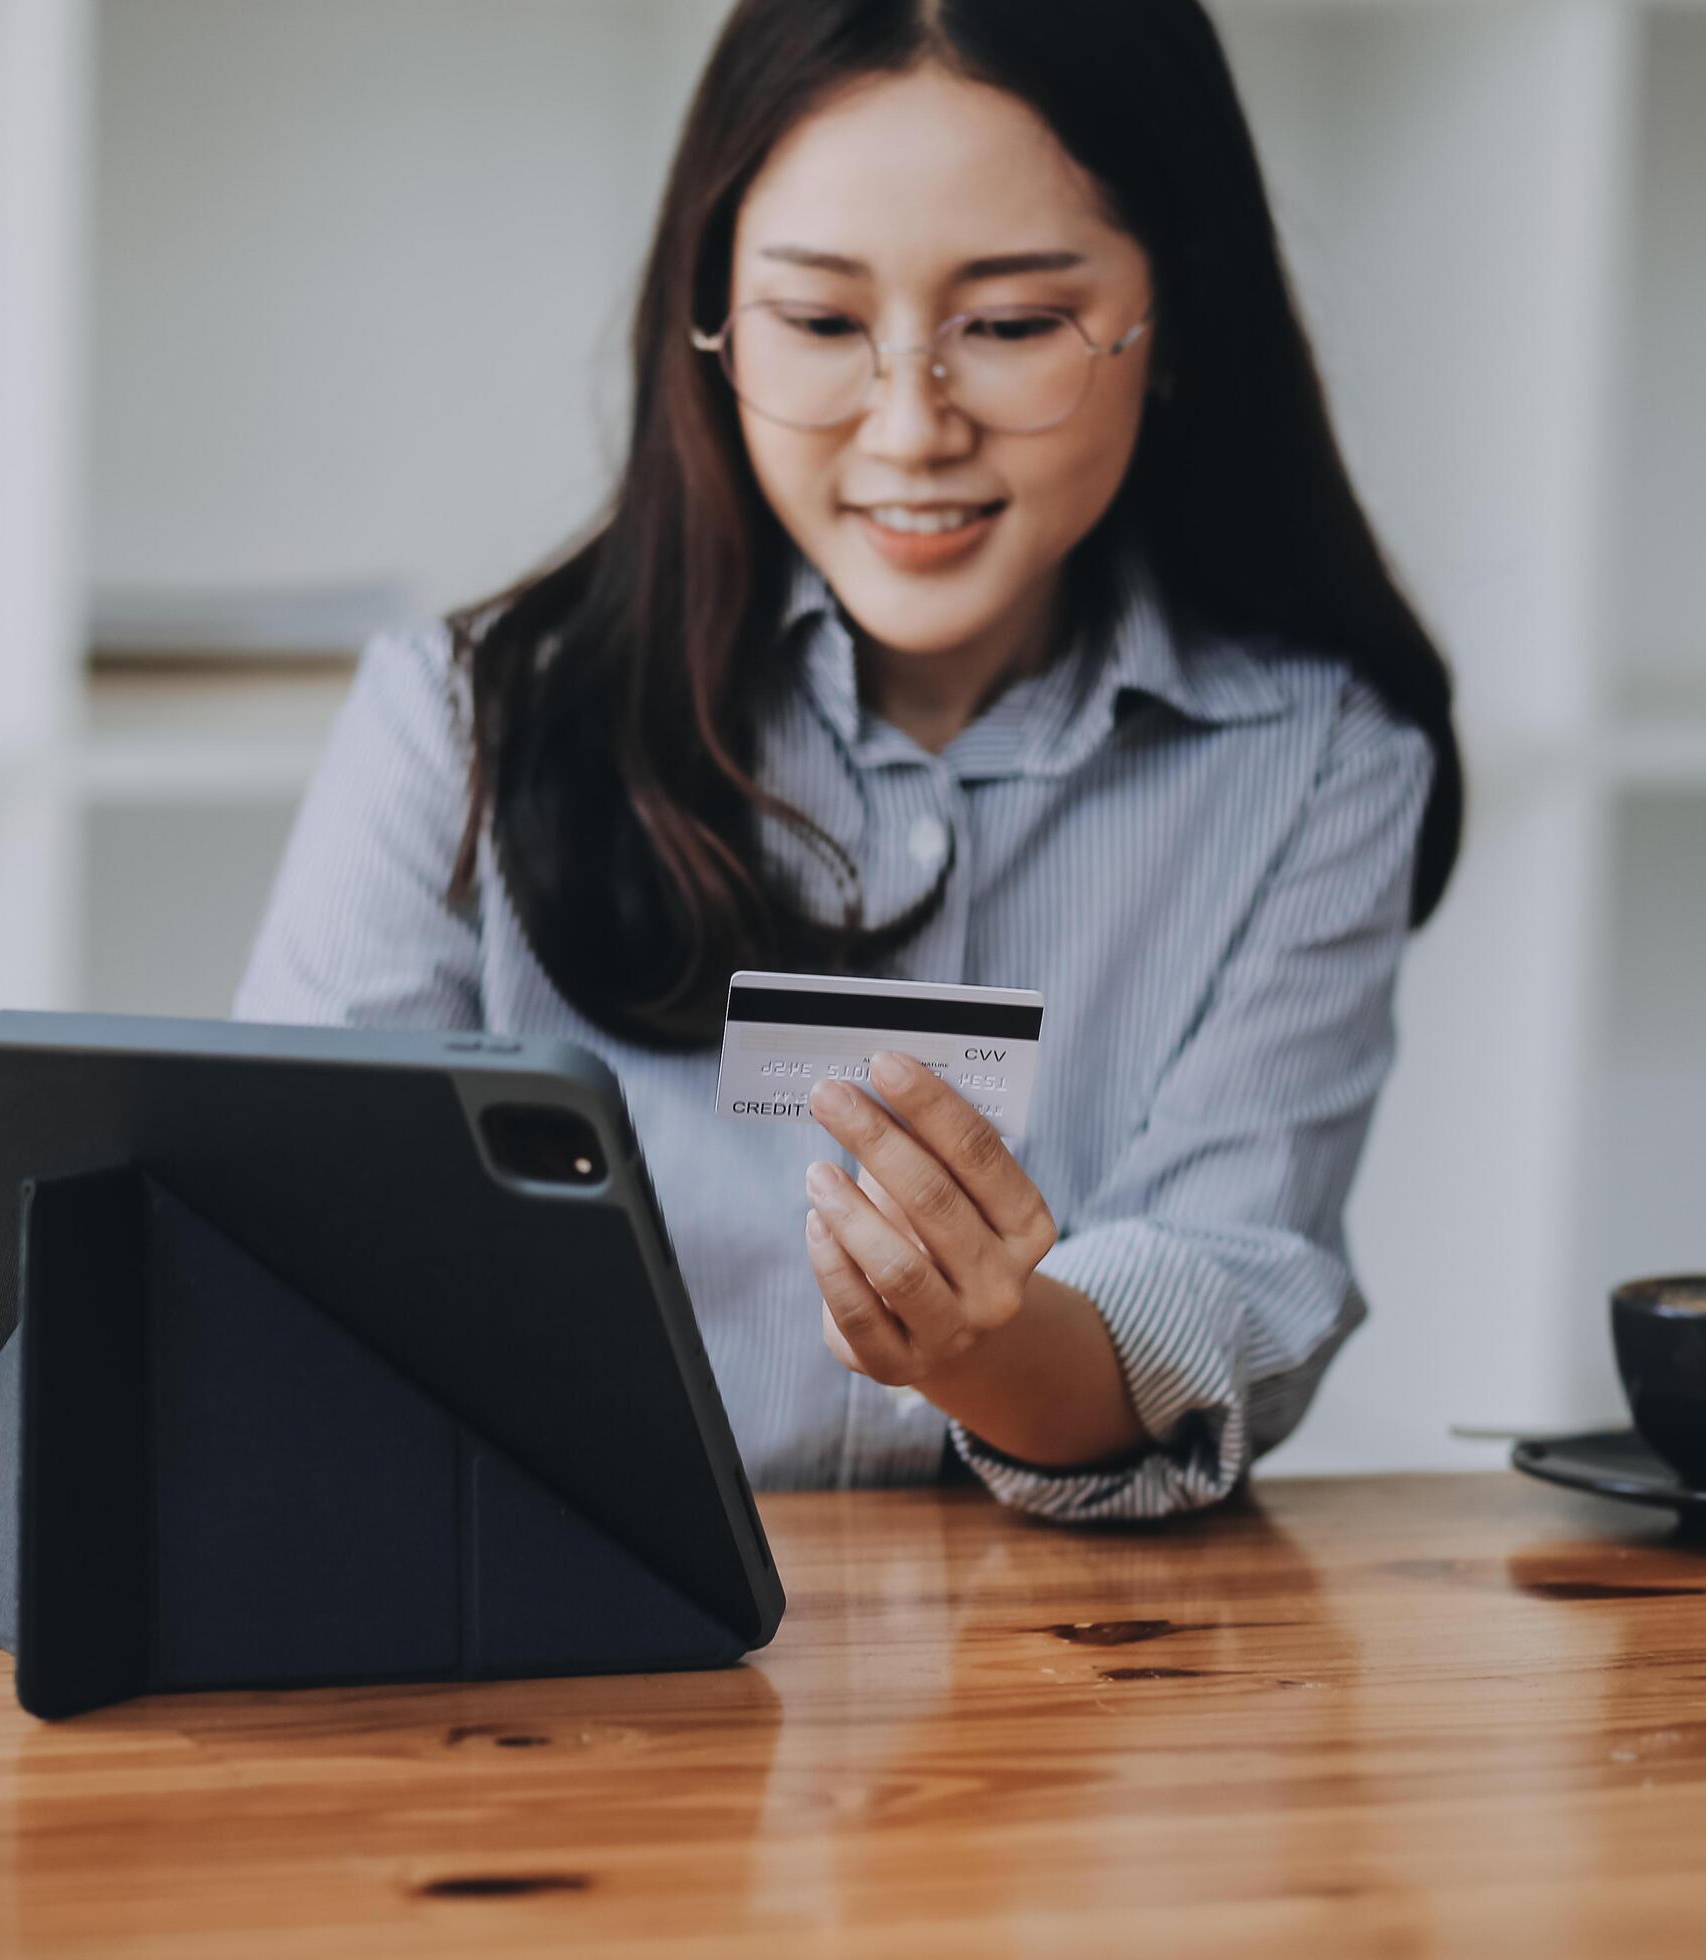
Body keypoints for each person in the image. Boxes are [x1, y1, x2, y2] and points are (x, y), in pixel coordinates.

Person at [235, 0, 1463, 1523]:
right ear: (712, 319)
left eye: (1011, 327)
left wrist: (993, 1348)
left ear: (1177, 325)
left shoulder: (1319, 761)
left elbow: (1228, 1280)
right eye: (820, 325)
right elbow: (288, 1261)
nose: (908, 427)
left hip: (1052, 1678)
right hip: (554, 1657)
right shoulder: (458, 722)